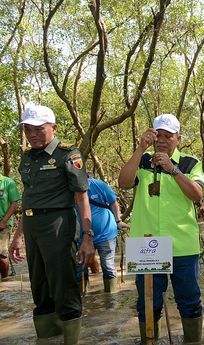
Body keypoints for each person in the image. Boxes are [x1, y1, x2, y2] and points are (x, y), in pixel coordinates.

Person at [9, 104, 94, 345]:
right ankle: (46, 338)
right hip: (32, 225)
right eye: (27, 129)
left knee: (63, 284)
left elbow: (81, 196)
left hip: (58, 225)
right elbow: (28, 197)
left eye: (39, 129)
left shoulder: (69, 155)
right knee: (39, 286)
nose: (32, 134)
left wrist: (88, 237)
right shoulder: (27, 158)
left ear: (53, 128)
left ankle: (71, 339)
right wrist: (18, 236)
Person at [118, 113, 204, 343]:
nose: (163, 140)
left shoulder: (190, 162)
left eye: (169, 135)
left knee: (189, 300)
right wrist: (139, 149)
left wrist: (172, 169)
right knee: (148, 303)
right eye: (159, 135)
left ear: (178, 138)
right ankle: (150, 339)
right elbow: (124, 182)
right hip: (146, 244)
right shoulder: (143, 161)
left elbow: (197, 195)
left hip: (183, 244)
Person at [76, 177, 129, 293]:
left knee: (108, 267)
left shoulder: (98, 184)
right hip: (80, 236)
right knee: (80, 269)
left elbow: (113, 201)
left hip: (106, 233)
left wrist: (118, 221)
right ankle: (83, 301)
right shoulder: (66, 188)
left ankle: (111, 301)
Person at [0, 172, 20, 279]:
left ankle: (4, 280)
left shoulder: (8, 182)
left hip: (3, 224)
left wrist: (3, 221)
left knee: (2, 254)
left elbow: (14, 203)